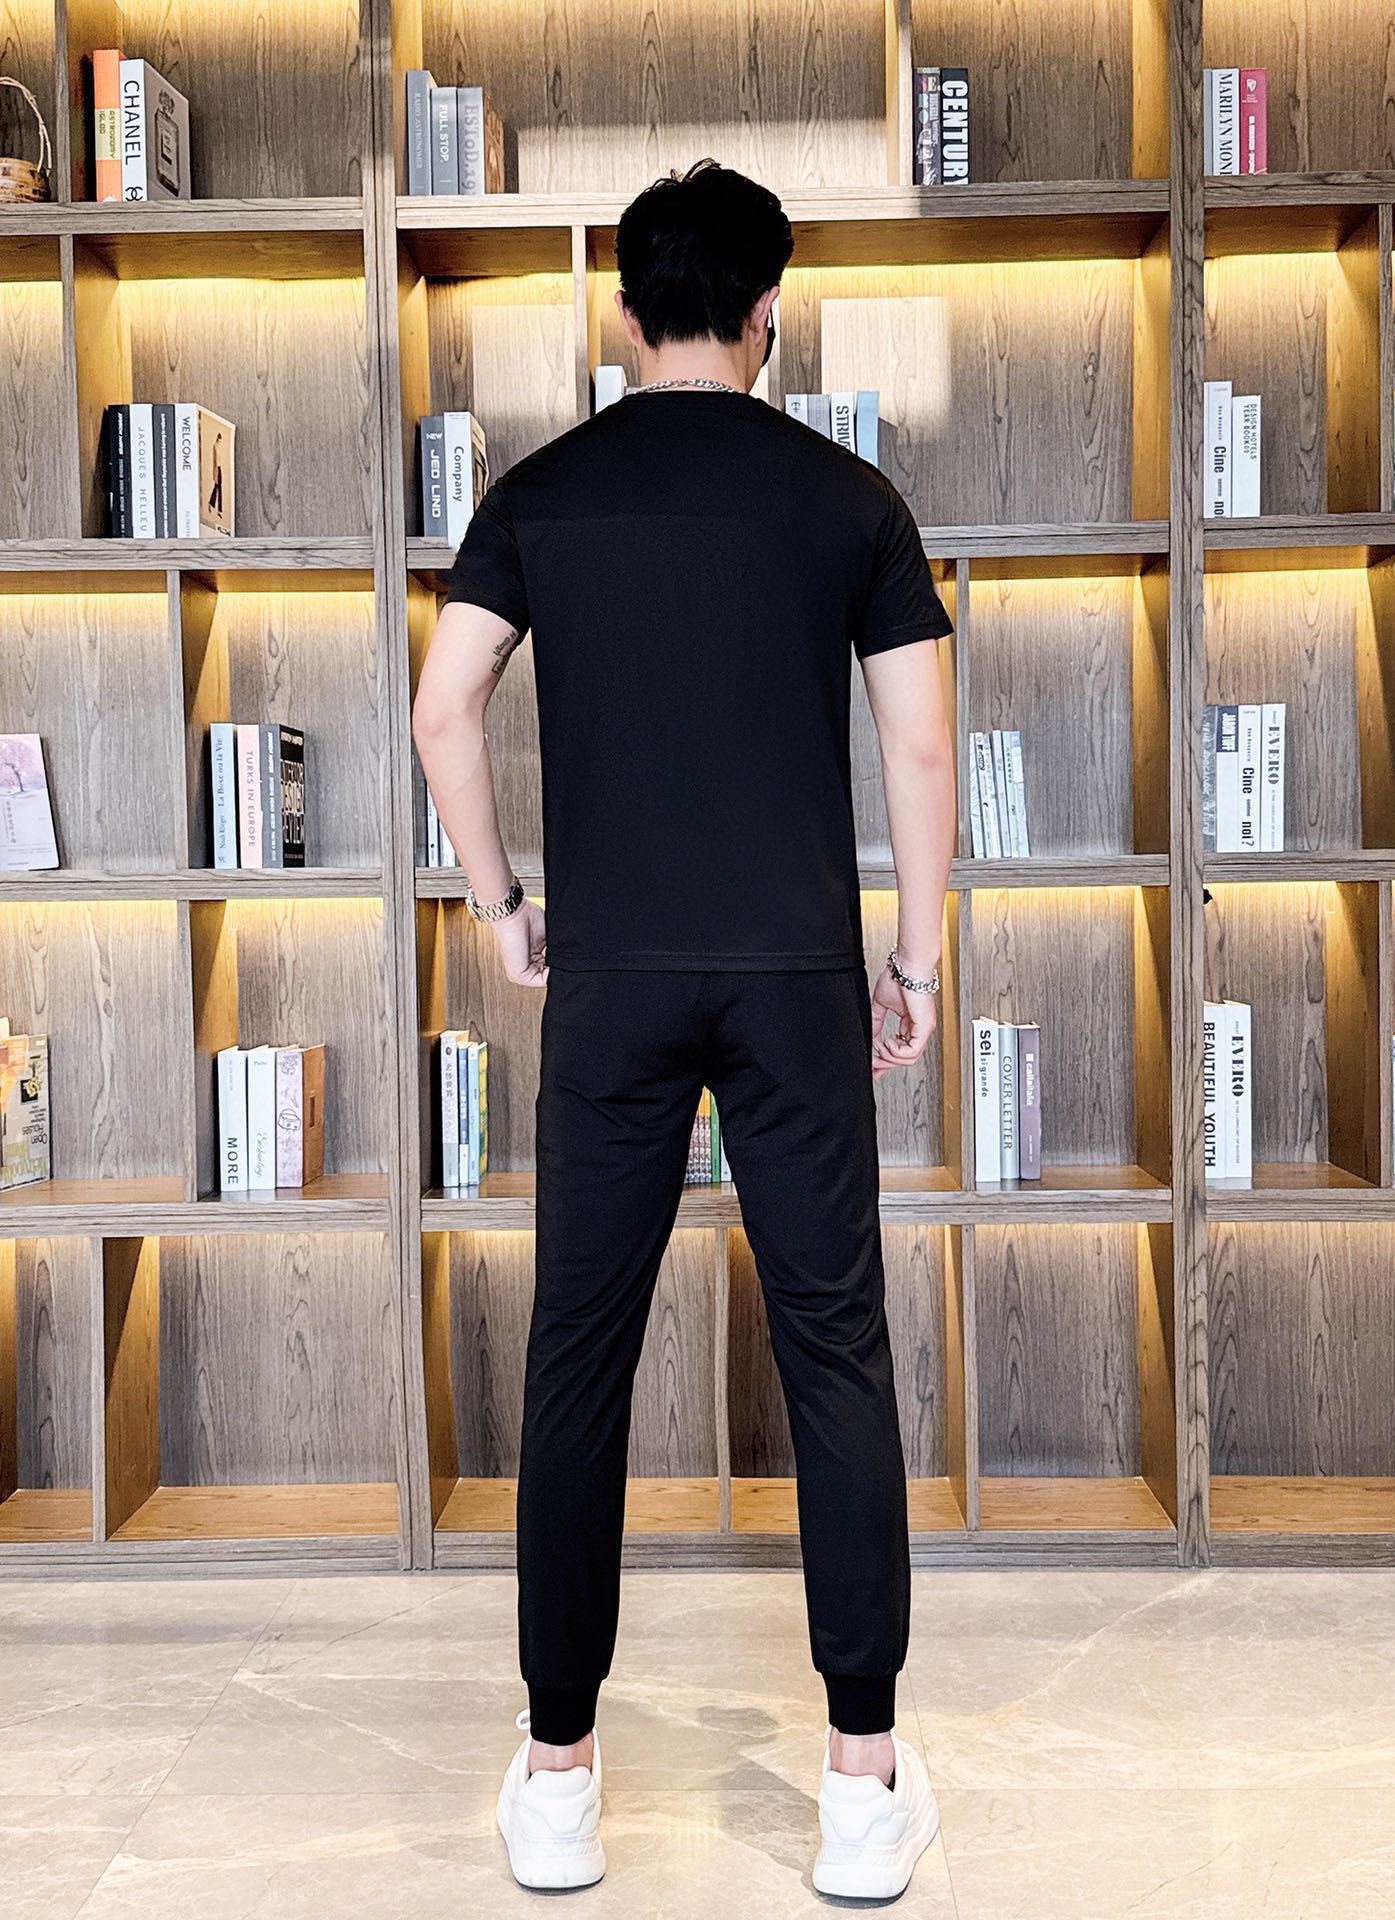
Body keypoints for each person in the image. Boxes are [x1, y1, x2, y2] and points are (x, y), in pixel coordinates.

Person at [412, 158, 956, 1902]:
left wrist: (505, 904)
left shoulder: (542, 494)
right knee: (836, 1352)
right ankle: (860, 1790)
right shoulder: (851, 500)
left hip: (616, 980)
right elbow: (921, 747)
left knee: (578, 1356)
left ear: (628, 311)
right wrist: (914, 958)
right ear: (768, 312)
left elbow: (443, 711)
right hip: (795, 980)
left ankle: (559, 1781)